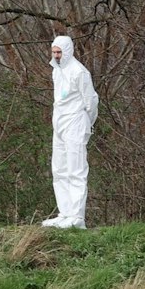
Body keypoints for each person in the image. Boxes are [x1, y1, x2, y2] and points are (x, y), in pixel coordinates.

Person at [44, 34, 98, 229]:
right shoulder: (56, 72)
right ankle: (65, 212)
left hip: (75, 122)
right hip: (59, 123)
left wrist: (86, 122)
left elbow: (90, 100)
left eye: (59, 52)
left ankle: (77, 216)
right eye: (54, 52)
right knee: (59, 169)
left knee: (76, 169)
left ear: (68, 51)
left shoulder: (79, 72)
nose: (57, 56)